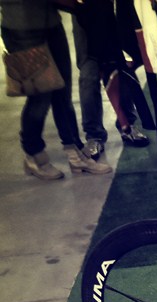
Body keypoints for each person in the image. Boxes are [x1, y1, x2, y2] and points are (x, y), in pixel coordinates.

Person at [0, 0, 111, 179]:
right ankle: (34, 156)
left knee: (63, 91)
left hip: (50, 21)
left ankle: (75, 153)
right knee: (40, 97)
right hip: (21, 27)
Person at [71, 9, 149, 161]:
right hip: (83, 13)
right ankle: (94, 136)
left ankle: (127, 125)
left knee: (120, 67)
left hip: (110, 10)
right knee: (88, 76)